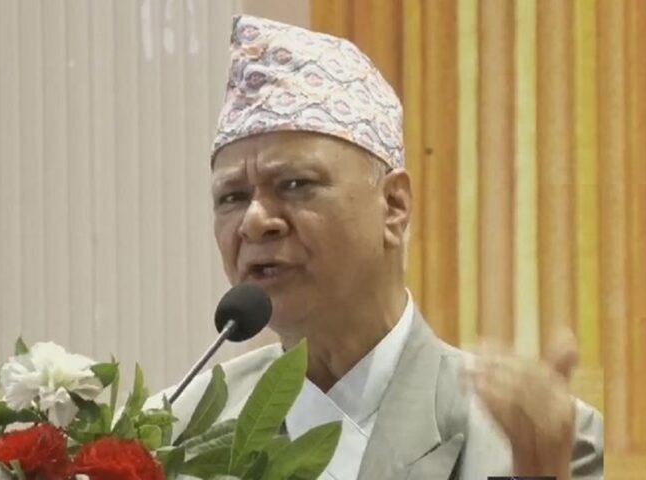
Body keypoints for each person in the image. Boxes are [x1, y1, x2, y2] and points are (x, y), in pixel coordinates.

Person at [151, 15, 603, 480]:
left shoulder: (540, 438)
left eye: (295, 184)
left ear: (393, 205)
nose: (254, 221)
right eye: (232, 197)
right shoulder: (170, 438)